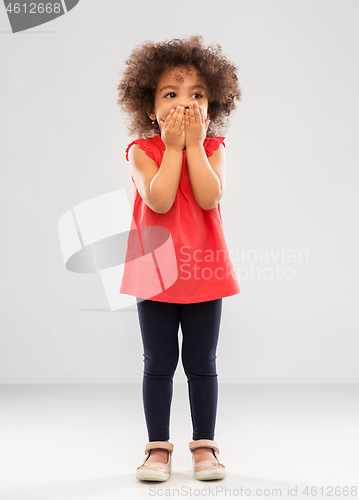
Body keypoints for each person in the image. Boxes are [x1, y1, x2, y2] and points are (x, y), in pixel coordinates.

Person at [117, 35, 242, 482]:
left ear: (212, 106)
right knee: (159, 362)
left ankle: (205, 447)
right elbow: (161, 199)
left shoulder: (214, 150)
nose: (184, 105)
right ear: (150, 109)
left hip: (205, 271)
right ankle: (157, 449)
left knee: (202, 363)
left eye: (196, 95)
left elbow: (210, 196)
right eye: (171, 95)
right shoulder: (141, 152)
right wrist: (172, 148)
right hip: (154, 275)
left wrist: (193, 147)